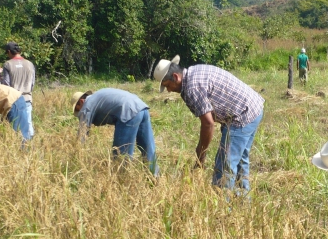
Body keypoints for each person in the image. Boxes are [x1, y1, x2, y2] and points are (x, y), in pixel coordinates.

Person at [153, 56, 264, 192]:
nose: (169, 91)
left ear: (175, 77)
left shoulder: (192, 87)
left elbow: (208, 124)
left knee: (224, 166)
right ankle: (243, 201)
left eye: (168, 86)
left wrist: (201, 154)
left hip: (242, 114)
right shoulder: (193, 72)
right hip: (254, 107)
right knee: (240, 160)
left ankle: (223, 207)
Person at [72, 88, 159, 175]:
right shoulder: (97, 96)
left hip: (127, 112)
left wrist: (76, 156)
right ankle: (154, 178)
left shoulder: (87, 106)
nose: (79, 112)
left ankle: (122, 180)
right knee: (148, 148)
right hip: (142, 108)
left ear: (81, 101)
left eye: (77, 109)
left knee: (121, 153)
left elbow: (82, 134)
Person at [2, 42, 36, 140]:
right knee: (28, 123)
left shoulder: (8, 64)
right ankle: (30, 146)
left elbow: (6, 85)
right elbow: (32, 83)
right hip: (27, 97)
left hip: (14, 99)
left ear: (9, 51)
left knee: (15, 126)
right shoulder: (30, 64)